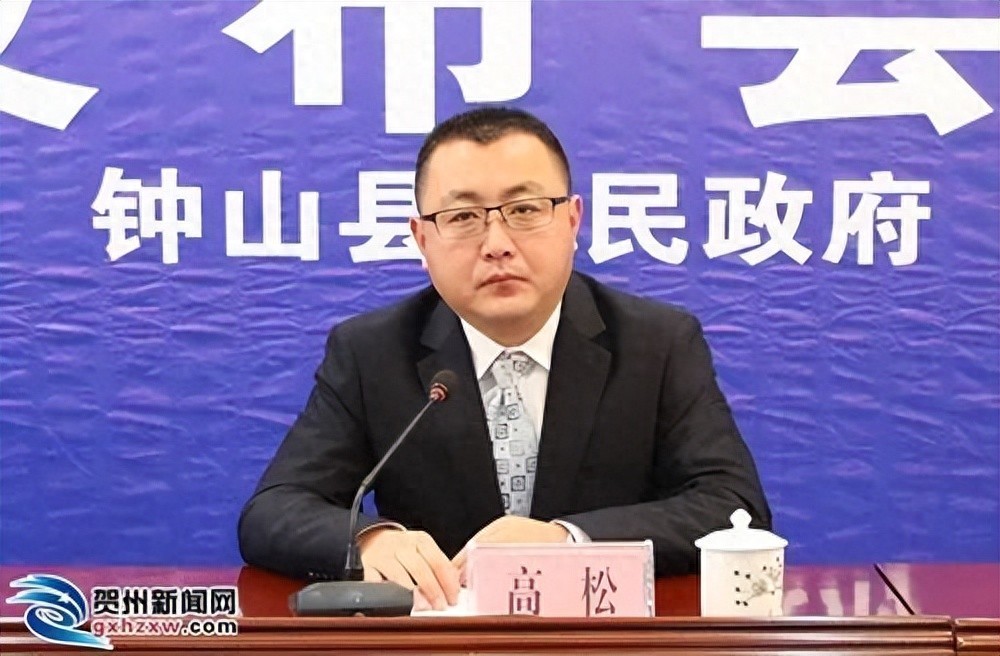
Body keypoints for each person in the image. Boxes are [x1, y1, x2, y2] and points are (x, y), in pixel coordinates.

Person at [238, 107, 771, 610]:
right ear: (422, 239)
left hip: (608, 640)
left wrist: (568, 540)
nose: (497, 243)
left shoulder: (658, 342)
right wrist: (369, 539)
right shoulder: (372, 351)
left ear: (572, 220)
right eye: (463, 216)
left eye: (524, 210)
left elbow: (732, 503)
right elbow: (273, 511)